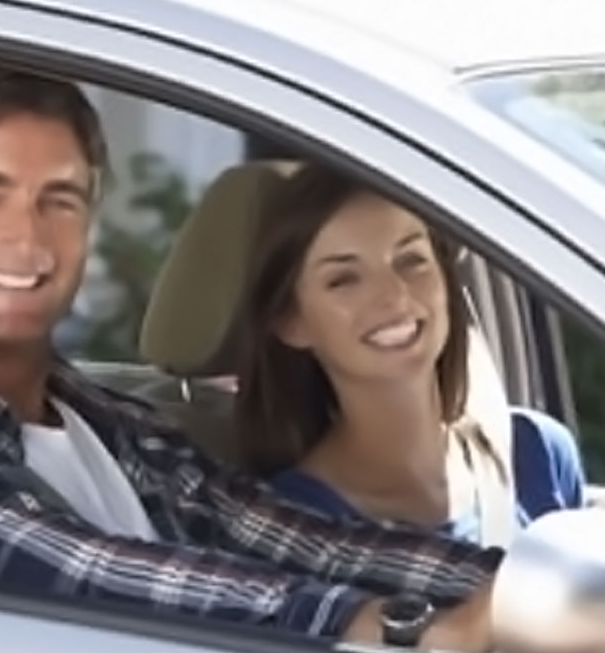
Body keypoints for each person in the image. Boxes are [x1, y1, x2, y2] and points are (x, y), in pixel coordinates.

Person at [0, 58, 499, 651]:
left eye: (59, 200)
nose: (26, 238)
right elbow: (90, 576)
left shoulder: (123, 429)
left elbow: (314, 544)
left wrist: (521, 586)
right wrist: (416, 632)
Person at [234, 165, 586, 546]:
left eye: (412, 260)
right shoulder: (294, 522)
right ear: (291, 321)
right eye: (344, 280)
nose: (396, 296)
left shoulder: (537, 451)